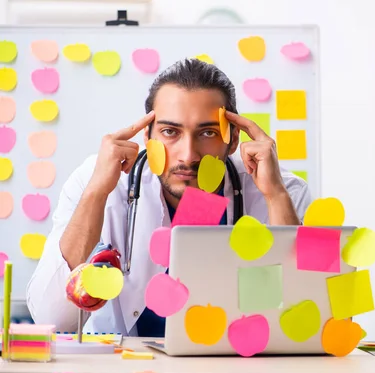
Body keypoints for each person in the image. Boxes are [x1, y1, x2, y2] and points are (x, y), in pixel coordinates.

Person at [26, 59, 311, 336]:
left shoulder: (282, 190)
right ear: (147, 136)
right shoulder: (100, 180)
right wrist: (96, 193)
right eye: (170, 132)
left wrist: (275, 197)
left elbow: (305, 322)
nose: (188, 155)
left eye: (208, 132)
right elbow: (54, 319)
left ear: (233, 139)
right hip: (123, 369)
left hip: (236, 371)